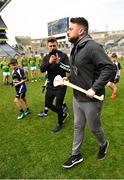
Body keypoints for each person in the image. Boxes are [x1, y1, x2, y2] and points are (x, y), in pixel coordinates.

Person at [63, 17, 115, 168]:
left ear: (81, 31)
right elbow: (79, 70)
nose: (68, 32)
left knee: (94, 127)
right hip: (77, 97)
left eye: (70, 29)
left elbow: (109, 67)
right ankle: (75, 155)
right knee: (77, 126)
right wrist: (67, 78)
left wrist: (95, 87)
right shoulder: (76, 46)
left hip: (92, 100)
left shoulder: (92, 46)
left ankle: (103, 144)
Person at [39, 37, 70, 133]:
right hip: (51, 85)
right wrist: (49, 62)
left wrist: (58, 62)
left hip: (61, 85)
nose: (52, 47)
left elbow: (69, 69)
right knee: (47, 104)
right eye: (50, 46)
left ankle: (60, 123)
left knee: (58, 105)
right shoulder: (46, 58)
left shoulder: (63, 55)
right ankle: (63, 114)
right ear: (48, 47)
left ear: (57, 45)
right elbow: (42, 69)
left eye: (54, 45)